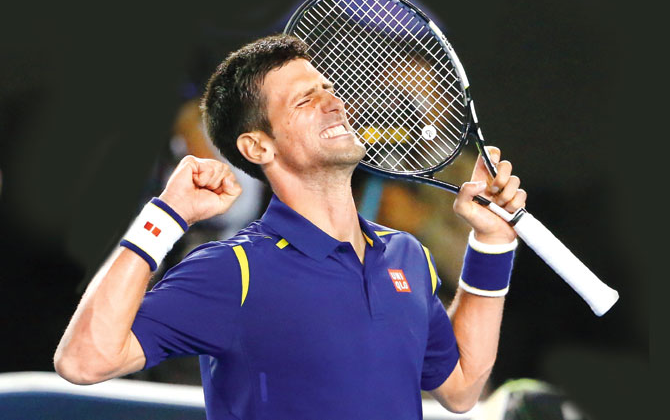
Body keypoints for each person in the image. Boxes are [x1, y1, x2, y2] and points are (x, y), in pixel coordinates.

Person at [54, 35, 527, 419]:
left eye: (329, 90)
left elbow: (462, 387)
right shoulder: (233, 270)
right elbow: (84, 359)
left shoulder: (406, 255)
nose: (335, 104)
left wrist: (491, 244)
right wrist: (163, 217)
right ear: (258, 148)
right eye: (306, 100)